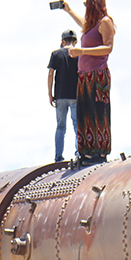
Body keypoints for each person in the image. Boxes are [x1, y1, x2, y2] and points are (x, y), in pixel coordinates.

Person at [58, 0, 116, 166]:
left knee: (97, 112)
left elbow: (108, 48)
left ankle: (99, 152)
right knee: (84, 113)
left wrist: (82, 52)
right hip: (85, 76)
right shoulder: (92, 25)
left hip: (98, 75)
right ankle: (87, 152)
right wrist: (69, 11)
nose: (86, 10)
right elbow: (83, 25)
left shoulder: (106, 22)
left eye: (87, 6)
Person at [47, 29, 79, 162]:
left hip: (60, 95)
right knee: (77, 125)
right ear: (75, 42)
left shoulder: (56, 54)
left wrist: (50, 93)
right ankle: (79, 153)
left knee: (61, 127)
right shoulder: (79, 54)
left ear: (62, 41)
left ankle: (58, 156)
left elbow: (50, 74)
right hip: (75, 95)